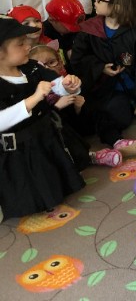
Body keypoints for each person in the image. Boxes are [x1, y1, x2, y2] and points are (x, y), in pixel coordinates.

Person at [0, 18, 87, 219]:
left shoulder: (31, 67)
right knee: (32, 196)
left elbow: (56, 84)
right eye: (20, 44)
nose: (28, 46)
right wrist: (35, 98)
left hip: (45, 137)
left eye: (26, 40)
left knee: (58, 180)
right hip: (19, 150)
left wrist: (68, 85)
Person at [69, 0, 136, 153]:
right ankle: (115, 140)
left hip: (133, 85)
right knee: (105, 113)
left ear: (117, 7)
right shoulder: (89, 30)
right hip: (104, 87)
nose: (95, 1)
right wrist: (100, 68)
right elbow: (78, 59)